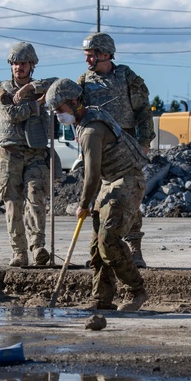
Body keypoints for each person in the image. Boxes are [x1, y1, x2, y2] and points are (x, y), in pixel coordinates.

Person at [44, 79, 148, 311]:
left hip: (126, 181)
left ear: (74, 102)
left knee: (108, 241)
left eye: (60, 110)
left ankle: (137, 291)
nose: (59, 115)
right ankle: (102, 299)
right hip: (110, 182)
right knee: (96, 246)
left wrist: (83, 204)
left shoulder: (91, 130)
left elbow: (91, 174)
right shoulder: (84, 120)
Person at [78, 32, 154, 268]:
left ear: (107, 54)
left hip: (126, 145)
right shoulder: (84, 82)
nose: (89, 60)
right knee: (99, 201)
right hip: (98, 146)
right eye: (87, 56)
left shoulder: (126, 77)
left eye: (93, 55)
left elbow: (143, 110)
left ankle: (134, 249)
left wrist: (144, 142)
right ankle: (99, 248)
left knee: (128, 197)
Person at [0, 42, 57, 267]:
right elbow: (11, 114)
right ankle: (19, 252)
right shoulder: (1, 90)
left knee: (36, 199)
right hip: (10, 155)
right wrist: (37, 105)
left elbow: (61, 85)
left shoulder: (40, 87)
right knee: (13, 204)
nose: (18, 67)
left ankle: (37, 246)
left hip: (36, 154)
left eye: (23, 63)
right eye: (15, 63)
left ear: (32, 65)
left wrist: (30, 90)